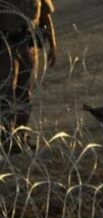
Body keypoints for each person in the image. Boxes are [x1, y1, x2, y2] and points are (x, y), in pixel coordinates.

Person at [0, 0, 57, 153]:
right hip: (6, 46)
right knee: (7, 93)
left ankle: (20, 136)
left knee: (25, 93)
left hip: (29, 46)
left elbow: (46, 17)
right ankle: (6, 138)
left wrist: (53, 45)